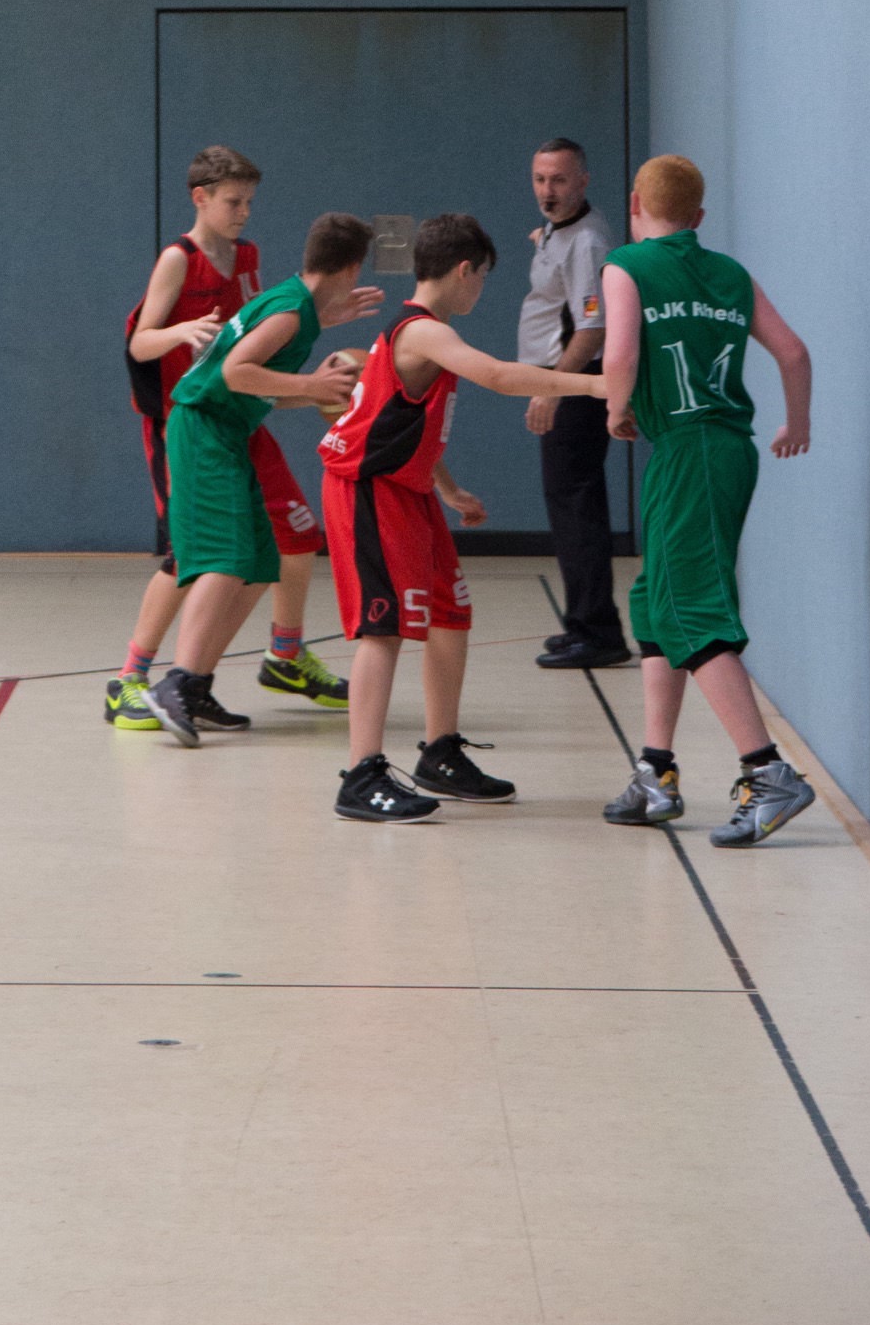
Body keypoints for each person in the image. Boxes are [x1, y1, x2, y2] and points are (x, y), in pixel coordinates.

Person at [320, 213, 608, 823]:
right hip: (367, 490)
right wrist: (593, 385)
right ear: (463, 270)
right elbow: (498, 375)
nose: (481, 288)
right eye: (482, 277)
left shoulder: (428, 332)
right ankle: (361, 774)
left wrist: (446, 489)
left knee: (450, 613)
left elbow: (404, 423)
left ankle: (440, 751)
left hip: (411, 490)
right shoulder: (422, 331)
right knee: (383, 628)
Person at [599, 153, 816, 847]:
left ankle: (768, 771)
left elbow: (621, 355)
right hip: (727, 447)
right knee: (654, 601)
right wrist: (797, 423)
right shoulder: (730, 274)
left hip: (686, 446)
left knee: (691, 607)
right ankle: (655, 772)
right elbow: (793, 352)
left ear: (636, 204)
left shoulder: (627, 265)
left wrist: (615, 409)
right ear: (697, 217)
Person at [106, 145, 349, 735]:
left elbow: (251, 335)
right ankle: (129, 680)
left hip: (236, 414)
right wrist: (179, 332)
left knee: (294, 535)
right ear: (201, 198)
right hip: (184, 421)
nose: (244, 212)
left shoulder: (248, 256)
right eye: (234, 202)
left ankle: (283, 656)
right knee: (189, 555)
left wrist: (321, 319)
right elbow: (139, 343)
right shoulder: (178, 259)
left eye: (249, 202)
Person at [142, 215, 378, 749]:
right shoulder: (289, 312)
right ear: (351, 267)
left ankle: (196, 685)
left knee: (257, 562)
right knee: (225, 559)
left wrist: (316, 395)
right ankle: (176, 682)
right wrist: (312, 383)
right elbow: (235, 372)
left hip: (226, 430)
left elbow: (258, 388)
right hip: (203, 428)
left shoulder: (296, 308)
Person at [521, 136, 629, 670]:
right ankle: (582, 622)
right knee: (566, 507)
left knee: (578, 508)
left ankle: (599, 633)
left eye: (560, 180)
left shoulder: (586, 241)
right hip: (562, 381)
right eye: (541, 179)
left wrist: (552, 389)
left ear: (583, 182)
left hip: (575, 384)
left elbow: (591, 329)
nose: (548, 190)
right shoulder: (558, 231)